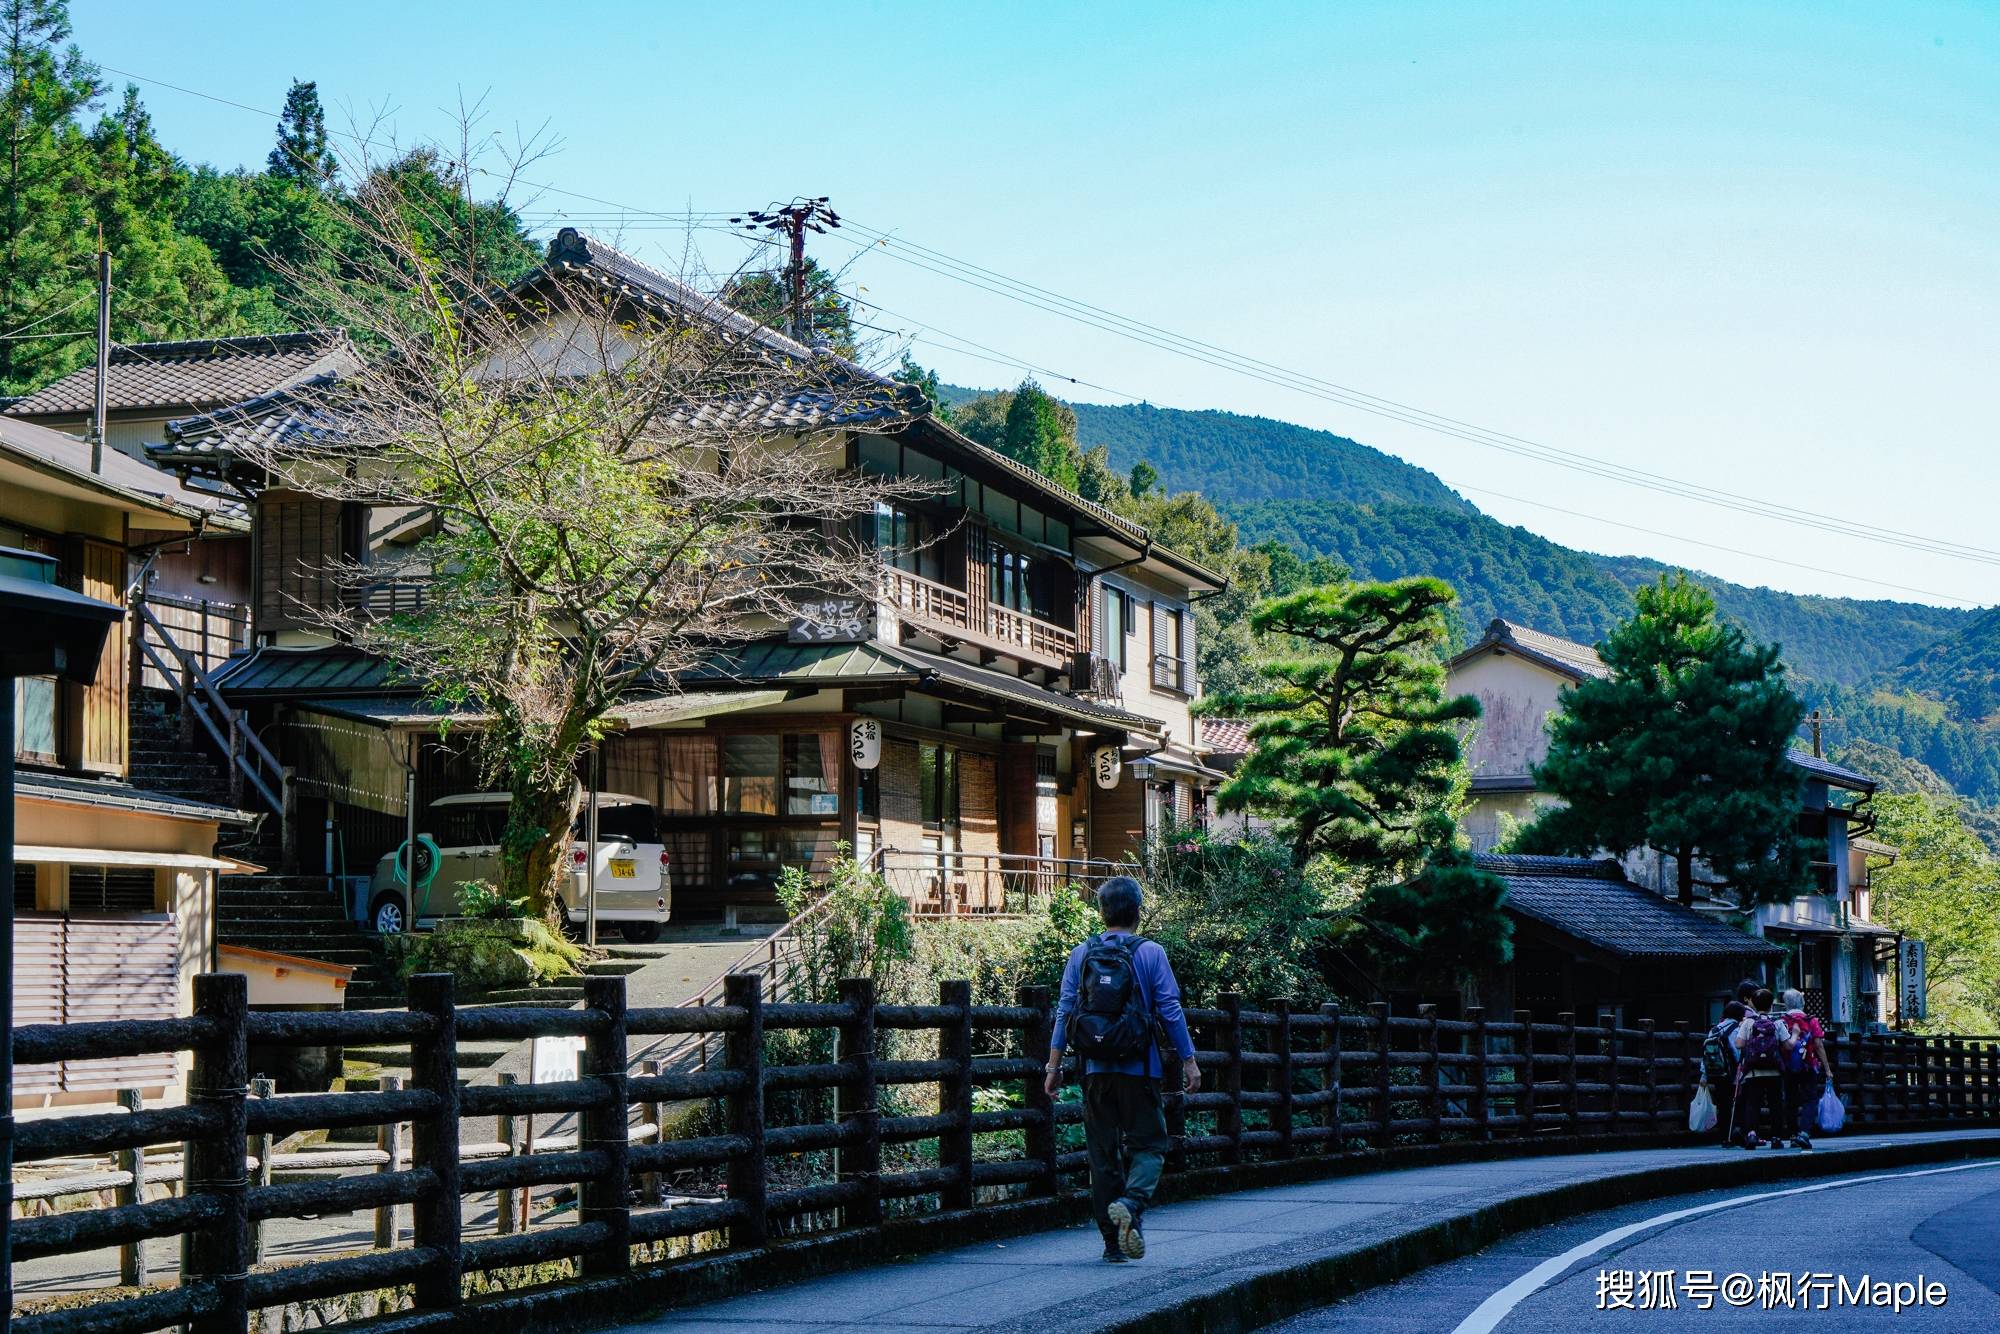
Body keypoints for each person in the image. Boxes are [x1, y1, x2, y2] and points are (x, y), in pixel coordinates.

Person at [1045, 875, 1200, 1262]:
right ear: (1137, 912)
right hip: (1139, 1069)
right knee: (1150, 1145)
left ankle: (1112, 1244)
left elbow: (1065, 1009)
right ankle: (1131, 1205)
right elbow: (1169, 1009)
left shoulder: (1082, 954)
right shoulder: (1150, 953)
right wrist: (1189, 1060)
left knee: (1103, 1156)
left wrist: (1053, 1064)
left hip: (1094, 1070)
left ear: (1102, 912)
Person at [1730, 987, 1794, 1148]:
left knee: (1753, 1103)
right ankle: (1776, 1138)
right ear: (1771, 1005)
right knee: (1775, 1104)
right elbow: (1787, 1046)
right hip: (1774, 1070)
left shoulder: (1749, 1023)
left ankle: (1751, 1134)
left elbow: (1738, 1044)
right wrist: (1795, 1035)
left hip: (1753, 1071)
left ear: (1754, 1004)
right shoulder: (1777, 1023)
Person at [1779, 988, 1830, 1149]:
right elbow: (1819, 1045)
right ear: (1802, 1003)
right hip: (1808, 1065)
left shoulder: (1782, 1021)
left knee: (1790, 1099)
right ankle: (1804, 1133)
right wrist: (1828, 1069)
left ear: (1786, 1003)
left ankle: (1793, 1135)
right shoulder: (1811, 1020)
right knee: (1810, 1099)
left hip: (1787, 1066)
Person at [1702, 1001, 1746, 1144]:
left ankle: (1723, 1135)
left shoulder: (1714, 1029)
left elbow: (1706, 1052)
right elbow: (1737, 1051)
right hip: (1731, 1072)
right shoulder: (1735, 1028)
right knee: (1735, 1103)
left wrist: (1704, 1074)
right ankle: (1734, 1134)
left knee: (1722, 1104)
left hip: (1716, 1071)